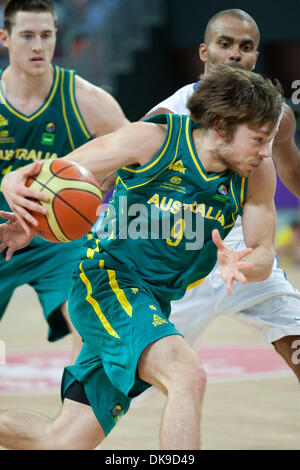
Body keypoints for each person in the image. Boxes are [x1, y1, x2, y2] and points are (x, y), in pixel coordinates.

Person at [0, 65, 283, 449]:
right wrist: (15, 188)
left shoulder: (258, 175)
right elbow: (57, 175)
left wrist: (248, 263)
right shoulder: (153, 140)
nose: (266, 151)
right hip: (107, 281)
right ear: (220, 125)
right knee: (187, 376)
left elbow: (264, 250)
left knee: (62, 442)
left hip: (155, 301)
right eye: (259, 139)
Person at [145, 8, 300, 379]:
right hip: (179, 262)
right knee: (120, 399)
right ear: (204, 52)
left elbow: (292, 169)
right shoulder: (167, 115)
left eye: (246, 47)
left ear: (256, 57)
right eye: (225, 44)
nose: (235, 54)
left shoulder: (277, 114)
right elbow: (126, 184)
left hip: (242, 252)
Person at [0, 0, 128, 361]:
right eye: (27, 36)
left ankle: (77, 410)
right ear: (5, 38)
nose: (38, 46)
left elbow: (136, 150)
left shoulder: (87, 99)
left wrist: (102, 185)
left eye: (46, 35)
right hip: (2, 228)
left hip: (60, 233)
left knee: (87, 316)